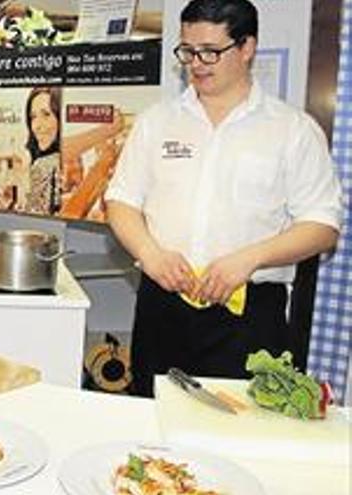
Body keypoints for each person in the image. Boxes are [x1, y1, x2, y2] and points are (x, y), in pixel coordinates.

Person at [104, 0, 342, 397]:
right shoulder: (157, 122)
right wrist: (150, 252)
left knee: (240, 434)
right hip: (163, 304)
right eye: (187, 51)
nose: (196, 63)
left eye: (210, 52)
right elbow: (121, 201)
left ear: (247, 47)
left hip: (249, 314)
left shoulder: (292, 130)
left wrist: (248, 259)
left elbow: (322, 226)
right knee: (152, 422)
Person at [23, 86, 61, 215]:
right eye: (33, 117)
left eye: (46, 114)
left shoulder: (43, 165)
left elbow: (33, 217)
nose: (37, 126)